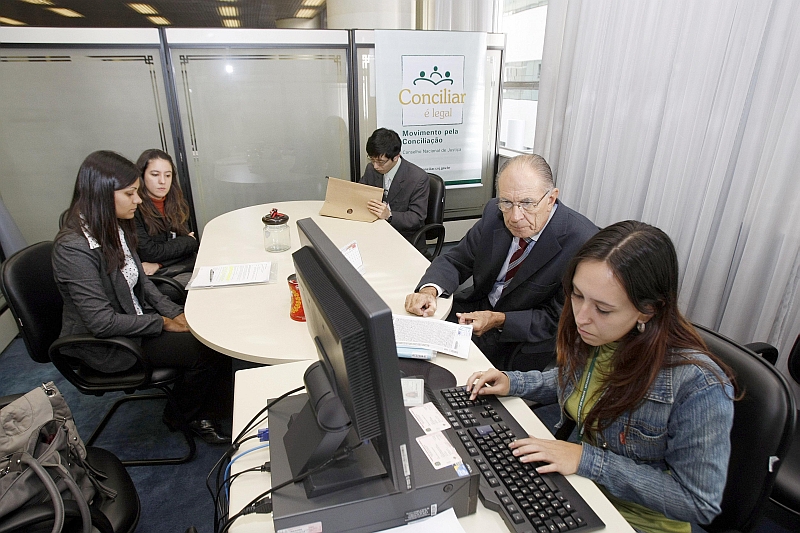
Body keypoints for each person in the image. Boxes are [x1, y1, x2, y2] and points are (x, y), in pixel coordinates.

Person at [466, 221, 736, 533]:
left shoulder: (698, 384)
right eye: (577, 295)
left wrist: (587, 459)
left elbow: (698, 502)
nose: (581, 317)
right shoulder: (603, 335)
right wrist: (514, 382)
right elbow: (579, 382)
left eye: (603, 309)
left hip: (633, 522)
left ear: (647, 311)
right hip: (582, 492)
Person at [53, 150, 231, 445]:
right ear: (102, 195)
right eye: (130, 193)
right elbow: (101, 323)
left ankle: (212, 405)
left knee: (211, 330)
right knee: (208, 349)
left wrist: (175, 313)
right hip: (109, 345)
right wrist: (161, 322)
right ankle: (185, 415)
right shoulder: (73, 248)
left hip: (133, 321)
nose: (138, 200)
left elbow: (143, 283)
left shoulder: (115, 226)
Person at [405, 154, 597, 371]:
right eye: (506, 202)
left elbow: (556, 319)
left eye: (527, 203)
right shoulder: (494, 212)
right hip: (477, 311)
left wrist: (498, 320)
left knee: (453, 381)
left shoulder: (582, 242)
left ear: (551, 199)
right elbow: (457, 259)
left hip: (520, 338)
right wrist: (429, 290)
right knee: (410, 342)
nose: (515, 216)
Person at [134, 149, 198, 287]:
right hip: (155, 281)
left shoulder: (176, 202)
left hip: (176, 268)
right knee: (196, 285)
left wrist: (158, 263)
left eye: (168, 175)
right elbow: (149, 253)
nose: (162, 181)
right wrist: (185, 242)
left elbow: (190, 245)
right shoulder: (134, 207)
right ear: (142, 176)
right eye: (155, 174)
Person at [359, 128, 429, 253]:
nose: (375, 166)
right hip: (376, 234)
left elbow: (417, 218)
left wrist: (389, 215)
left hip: (405, 239)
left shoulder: (417, 178)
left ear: (396, 157)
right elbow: (361, 194)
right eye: (372, 159)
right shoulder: (371, 169)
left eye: (380, 161)